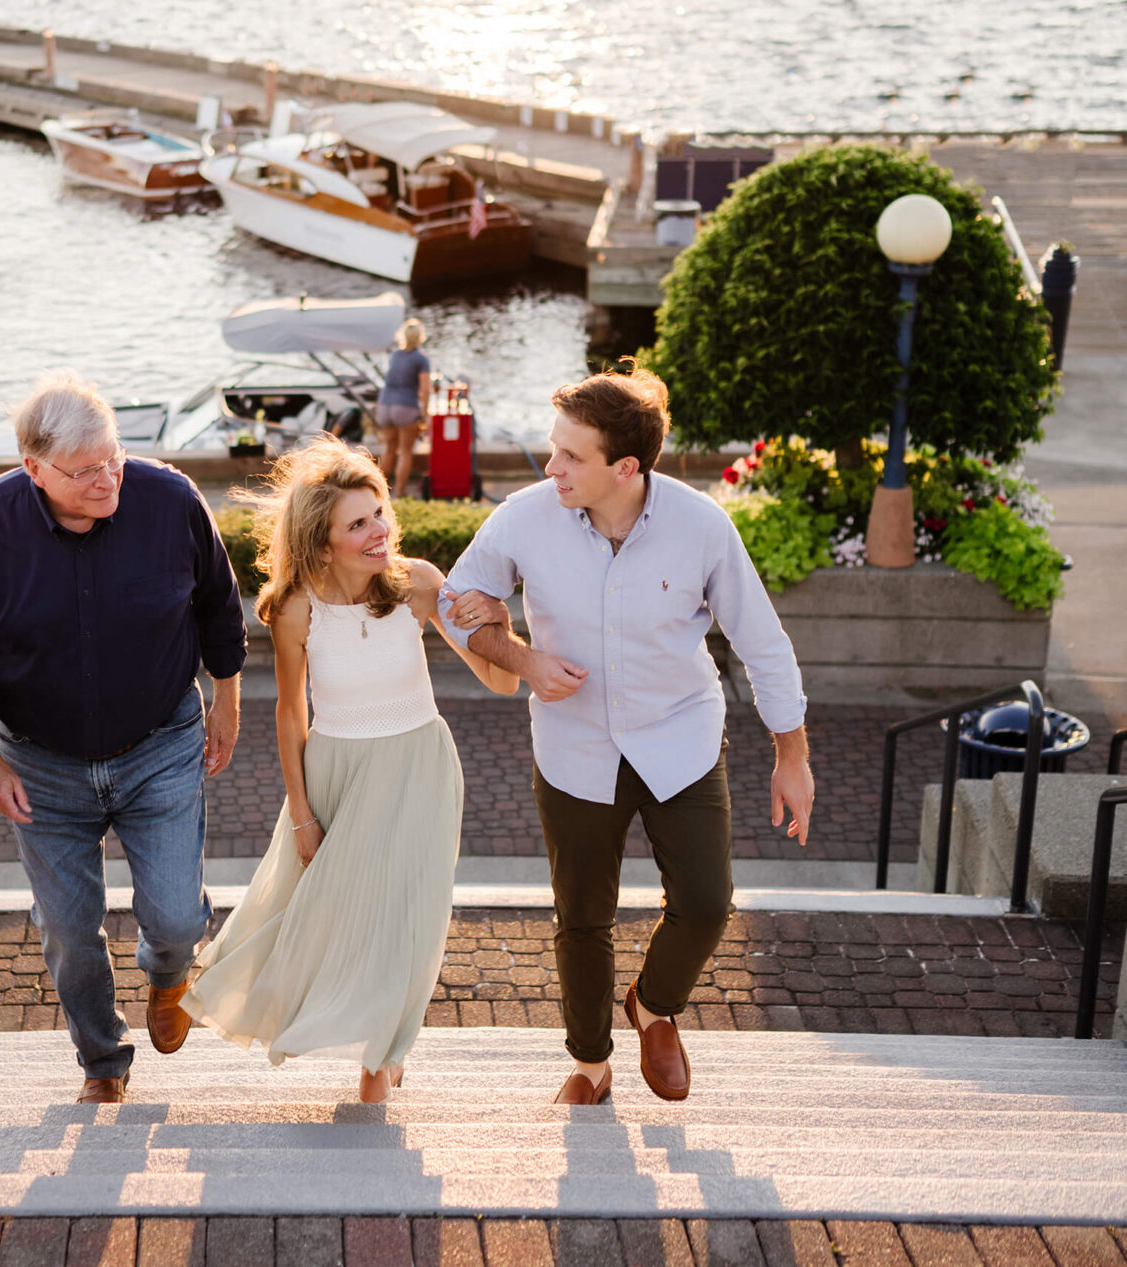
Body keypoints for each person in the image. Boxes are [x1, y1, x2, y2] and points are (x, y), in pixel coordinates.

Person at [442, 361, 814, 1107]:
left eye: (570, 455)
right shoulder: (524, 516)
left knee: (708, 902)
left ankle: (654, 1004)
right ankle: (589, 1065)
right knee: (582, 918)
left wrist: (791, 756)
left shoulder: (701, 525)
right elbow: (456, 601)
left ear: (626, 467)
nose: (552, 467)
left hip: (680, 740)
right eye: (553, 449)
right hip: (574, 751)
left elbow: (763, 642)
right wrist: (521, 657)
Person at [180, 437, 517, 1102]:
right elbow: (290, 716)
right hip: (338, 775)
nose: (378, 532)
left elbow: (498, 681)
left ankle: (381, 1056)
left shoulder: (420, 583)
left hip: (420, 767)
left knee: (409, 920)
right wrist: (302, 814)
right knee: (317, 917)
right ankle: (224, 995)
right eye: (357, 524)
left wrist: (500, 625)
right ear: (322, 542)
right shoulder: (296, 608)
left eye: (380, 514)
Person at [0, 371, 247, 1105]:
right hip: (38, 763)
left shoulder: (171, 499)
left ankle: (168, 970)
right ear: (34, 470)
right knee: (68, 927)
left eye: (114, 457)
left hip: (161, 743)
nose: (108, 478)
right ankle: (103, 1063)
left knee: (178, 917)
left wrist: (228, 699)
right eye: (85, 472)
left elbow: (218, 600)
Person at [375, 318, 432, 500]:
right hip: (405, 407)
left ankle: (380, 492)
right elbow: (425, 389)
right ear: (420, 337)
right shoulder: (421, 359)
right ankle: (400, 492)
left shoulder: (395, 355)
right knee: (406, 451)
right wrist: (424, 414)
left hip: (385, 405)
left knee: (389, 449)